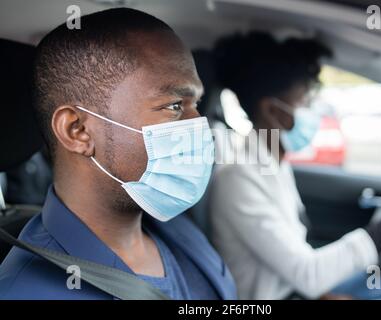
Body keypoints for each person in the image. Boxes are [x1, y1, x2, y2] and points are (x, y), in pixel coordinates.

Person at [0, 8, 236, 300]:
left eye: (195, 104)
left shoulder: (178, 232)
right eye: (174, 106)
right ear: (78, 131)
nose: (200, 125)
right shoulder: (29, 292)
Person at [208, 32, 381, 300]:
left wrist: (324, 294)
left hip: (299, 288)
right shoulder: (239, 178)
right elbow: (308, 274)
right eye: (306, 101)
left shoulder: (271, 161)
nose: (315, 110)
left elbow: (298, 259)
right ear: (273, 112)